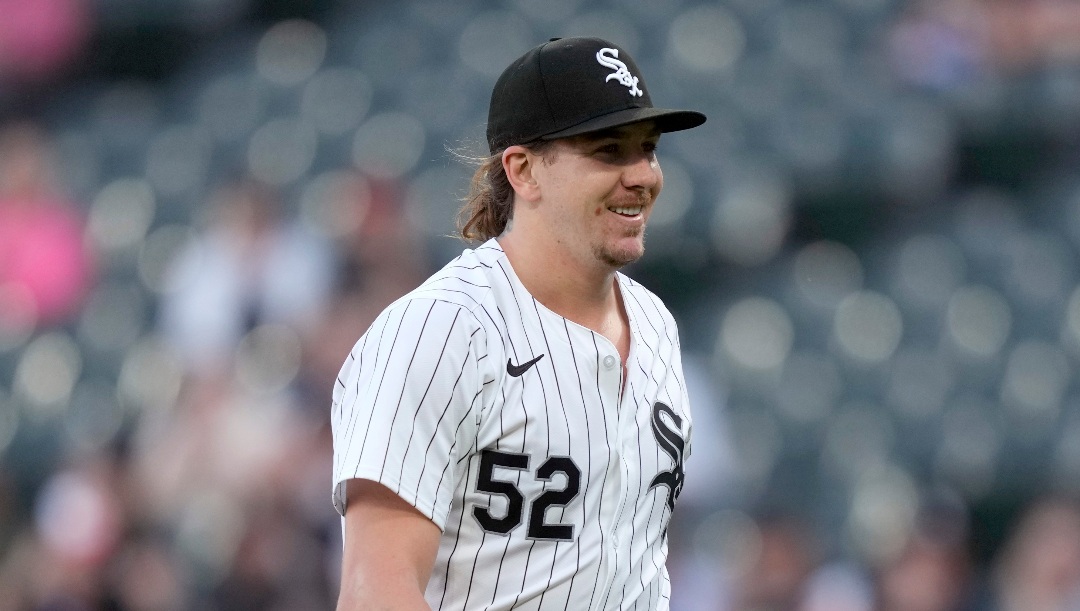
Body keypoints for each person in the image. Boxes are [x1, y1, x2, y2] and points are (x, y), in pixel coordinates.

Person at [331, 36, 706, 610]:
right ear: (524, 170)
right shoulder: (441, 332)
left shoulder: (655, 326)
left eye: (648, 149)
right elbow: (374, 591)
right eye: (608, 151)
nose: (641, 175)